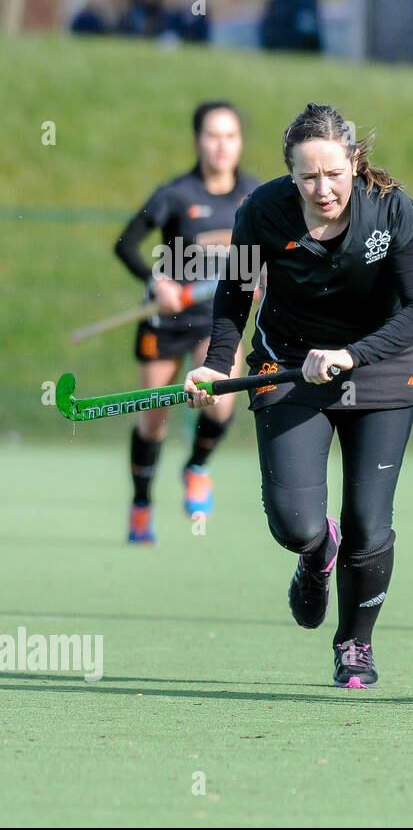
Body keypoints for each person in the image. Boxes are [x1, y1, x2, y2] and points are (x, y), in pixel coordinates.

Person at [185, 103, 413, 689]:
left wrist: (354, 354)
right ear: (290, 175)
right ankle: (316, 552)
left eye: (334, 174)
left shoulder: (390, 210)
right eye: (308, 177)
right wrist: (216, 364)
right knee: (295, 525)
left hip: (381, 367)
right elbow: (234, 292)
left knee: (369, 523)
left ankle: (355, 644)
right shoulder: (263, 212)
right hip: (290, 364)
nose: (323, 189)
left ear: (354, 162)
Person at [114, 101, 259, 544]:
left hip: (217, 320)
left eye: (230, 136)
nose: (222, 145)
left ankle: (196, 467)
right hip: (166, 320)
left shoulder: (255, 196)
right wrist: (156, 281)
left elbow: (272, 251)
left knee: (221, 401)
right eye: (213, 136)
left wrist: (263, 277)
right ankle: (141, 503)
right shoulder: (175, 194)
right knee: (153, 421)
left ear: (240, 143)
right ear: (198, 142)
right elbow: (127, 245)